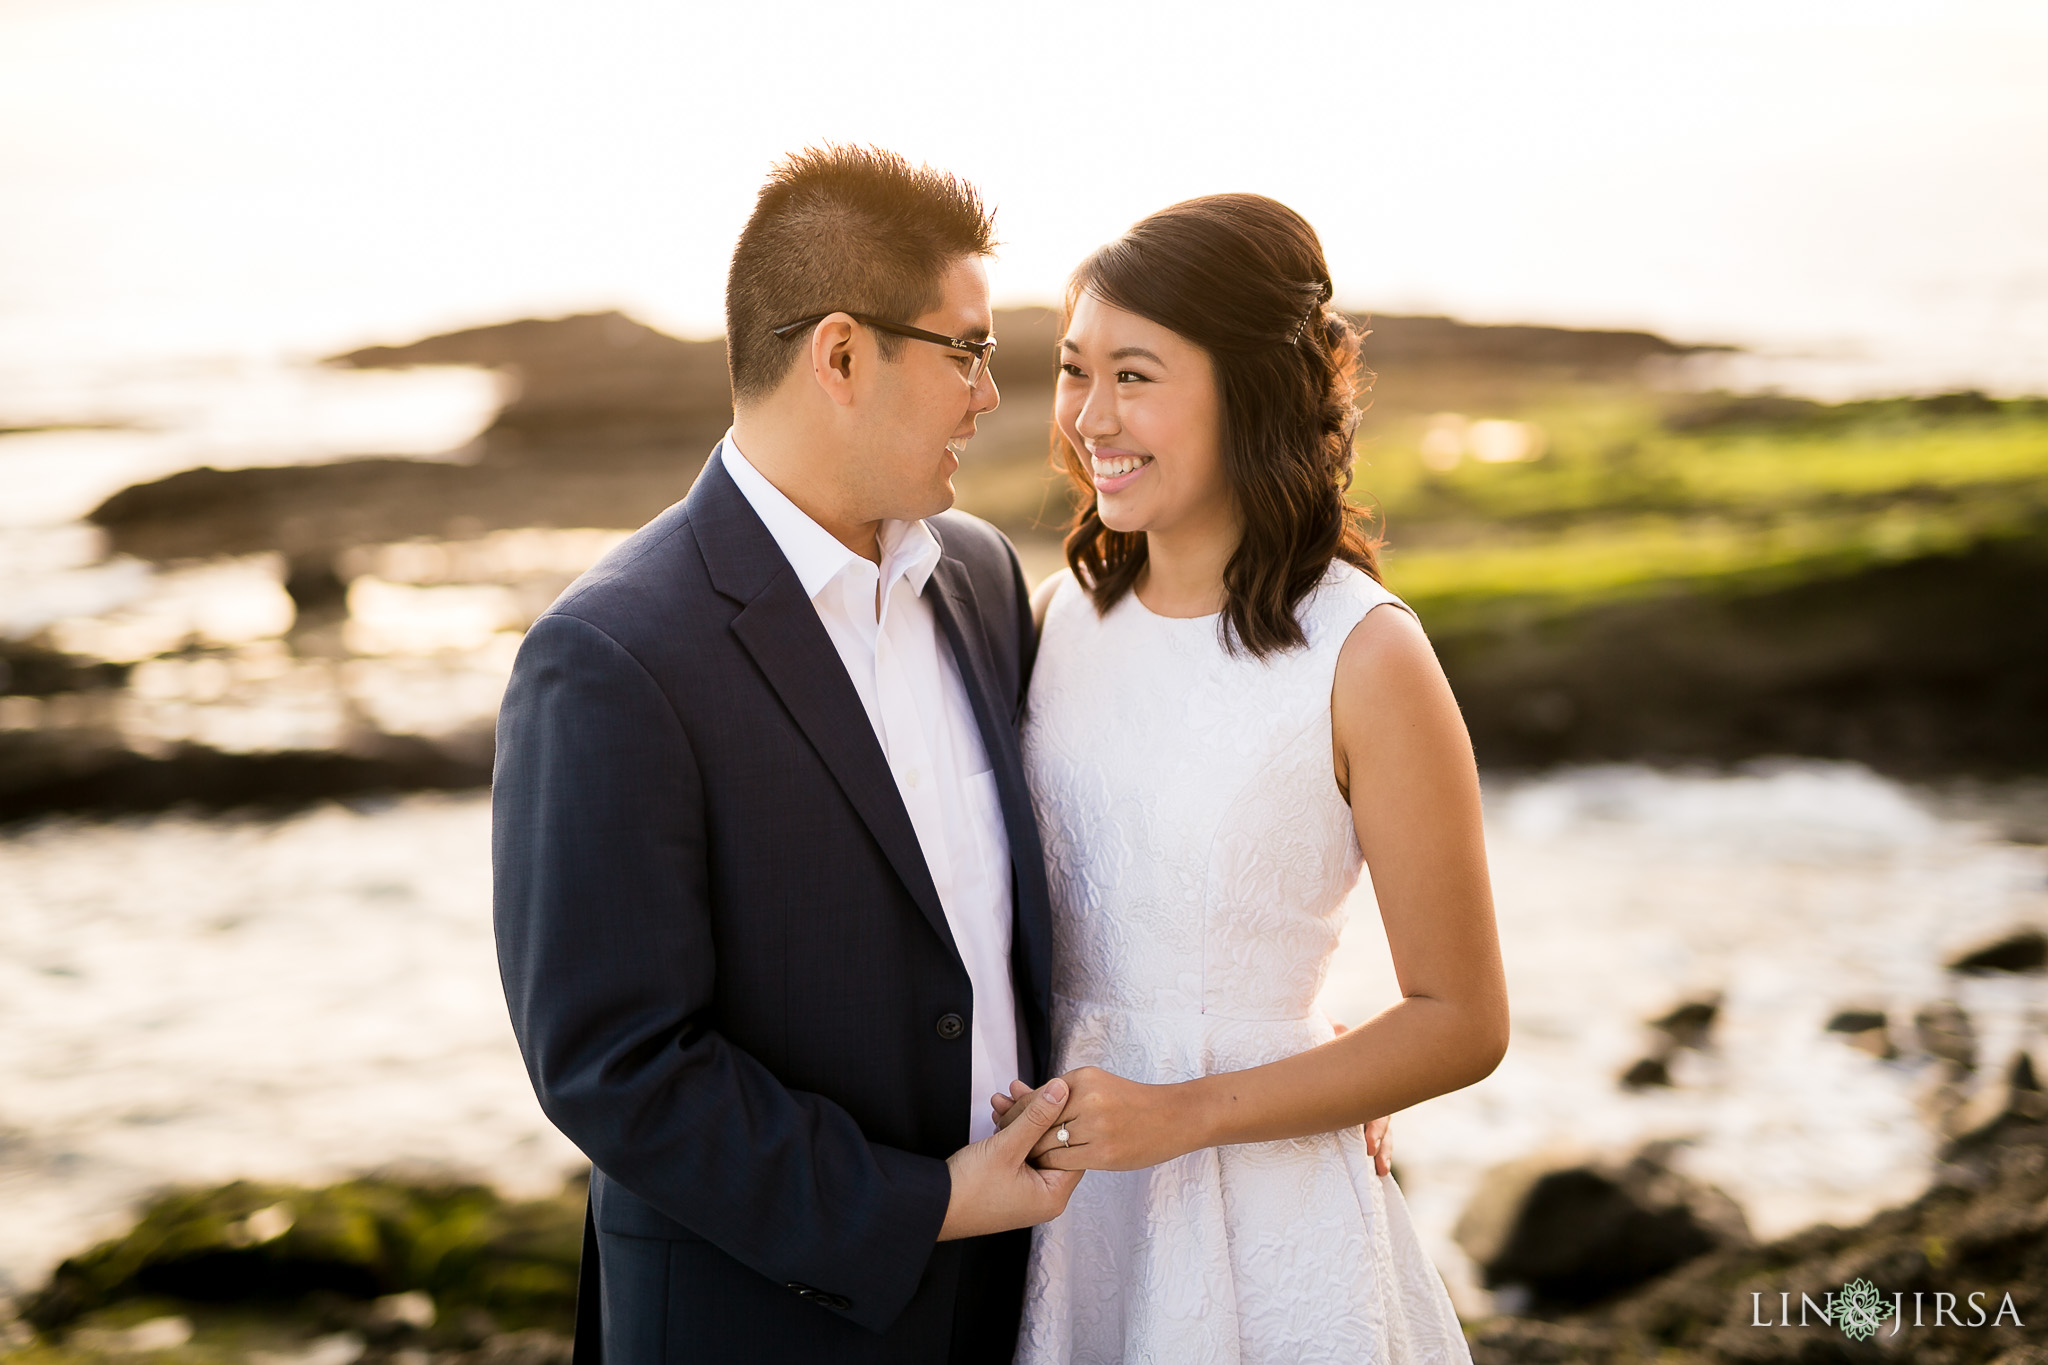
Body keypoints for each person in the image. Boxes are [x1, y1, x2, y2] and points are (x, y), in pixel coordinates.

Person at [492, 145, 1081, 1365]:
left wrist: (1268, 1059)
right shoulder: (608, 654)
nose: (989, 391)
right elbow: (614, 1065)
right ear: (841, 354)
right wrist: (926, 1206)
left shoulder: (976, 577)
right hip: (755, 1322)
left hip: (1019, 1299)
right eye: (966, 349)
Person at [993, 194, 1509, 1363]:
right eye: (1076, 371)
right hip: (1063, 1211)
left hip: (1264, 1212)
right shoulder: (1054, 618)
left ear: (1250, 388)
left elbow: (1462, 1019)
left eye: (1135, 375)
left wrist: (1186, 1112)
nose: (1089, 417)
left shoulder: (1365, 654)